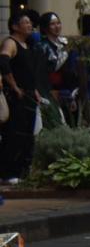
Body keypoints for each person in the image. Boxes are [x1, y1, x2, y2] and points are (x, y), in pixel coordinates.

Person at [0, 11, 42, 182]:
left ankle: (22, 171)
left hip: (30, 95)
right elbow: (3, 61)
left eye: (30, 23)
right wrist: (14, 86)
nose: (30, 25)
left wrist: (36, 91)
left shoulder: (28, 45)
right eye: (26, 23)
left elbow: (29, 72)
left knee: (27, 134)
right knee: (14, 134)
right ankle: (8, 172)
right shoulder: (11, 43)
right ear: (15, 26)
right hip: (17, 96)